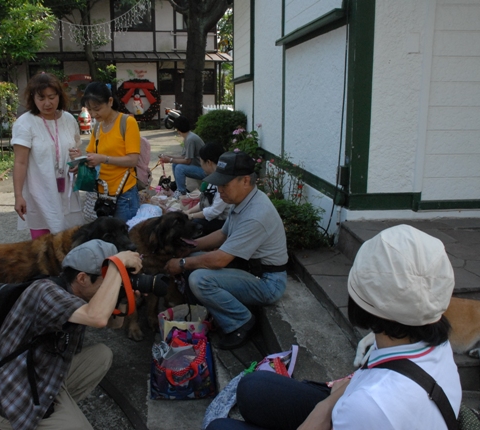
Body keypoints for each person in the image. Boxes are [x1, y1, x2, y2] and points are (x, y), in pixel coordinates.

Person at [207, 224, 462, 430]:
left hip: (362, 412)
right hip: (363, 406)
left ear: (363, 305)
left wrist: (320, 414)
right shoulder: (433, 342)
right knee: (252, 386)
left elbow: (367, 405)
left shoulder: (370, 406)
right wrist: (331, 403)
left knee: (220, 428)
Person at [0, 239, 142, 430]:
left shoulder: (80, 294)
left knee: (102, 354)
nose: (111, 285)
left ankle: (58, 413)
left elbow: (115, 323)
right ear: (82, 278)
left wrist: (122, 296)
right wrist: (117, 266)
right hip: (12, 394)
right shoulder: (46, 292)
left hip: (42, 371)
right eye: (107, 279)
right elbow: (97, 317)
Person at [165, 151, 288, 350]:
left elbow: (220, 260)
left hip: (267, 282)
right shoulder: (244, 201)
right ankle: (211, 314)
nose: (220, 190)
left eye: (225, 184)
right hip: (250, 271)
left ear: (246, 180)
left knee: (200, 279)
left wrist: (181, 263)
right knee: (195, 259)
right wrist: (188, 250)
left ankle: (240, 321)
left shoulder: (256, 214)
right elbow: (222, 235)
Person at [13, 73, 83, 239]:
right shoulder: (25, 123)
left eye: (52, 97)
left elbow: (75, 149)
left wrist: (77, 160)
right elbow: (20, 163)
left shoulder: (68, 119)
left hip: (66, 191)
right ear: (33, 98)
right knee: (43, 249)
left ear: (59, 95)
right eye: (41, 98)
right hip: (39, 192)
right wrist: (18, 196)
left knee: (70, 242)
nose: (47, 103)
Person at [83, 82, 141, 222]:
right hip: (102, 193)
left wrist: (103, 158)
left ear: (110, 101)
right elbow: (91, 154)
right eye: (89, 109)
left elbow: (133, 160)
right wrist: (79, 160)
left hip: (124, 193)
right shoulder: (97, 127)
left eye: (97, 109)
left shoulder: (127, 122)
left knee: (124, 238)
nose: (93, 114)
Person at [183, 142, 231, 235]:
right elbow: (204, 201)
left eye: (201, 163)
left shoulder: (224, 180)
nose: (201, 166)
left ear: (208, 162)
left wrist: (191, 216)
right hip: (216, 217)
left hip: (224, 222)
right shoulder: (214, 177)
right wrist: (187, 212)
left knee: (190, 226)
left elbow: (215, 211)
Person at [158, 115, 206, 197]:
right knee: (175, 164)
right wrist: (168, 156)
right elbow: (183, 156)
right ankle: (178, 187)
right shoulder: (188, 137)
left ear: (177, 129)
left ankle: (182, 192)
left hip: (204, 170)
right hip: (198, 167)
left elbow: (187, 161)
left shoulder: (190, 139)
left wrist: (169, 160)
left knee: (180, 168)